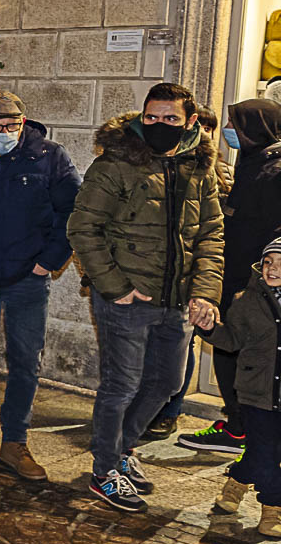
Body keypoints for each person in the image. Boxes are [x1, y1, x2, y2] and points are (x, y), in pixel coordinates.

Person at [67, 82, 225, 514]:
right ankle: (104, 471)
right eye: (151, 117)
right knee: (121, 386)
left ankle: (121, 449)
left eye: (170, 119)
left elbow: (211, 233)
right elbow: (83, 228)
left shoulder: (199, 166)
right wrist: (114, 286)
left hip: (176, 300)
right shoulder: (115, 163)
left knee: (166, 383)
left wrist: (205, 291)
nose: (159, 125)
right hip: (126, 298)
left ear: (190, 121)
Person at [0, 90, 82, 482]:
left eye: (13, 125)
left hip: (28, 275)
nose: (7, 132)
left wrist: (50, 261)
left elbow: (72, 211)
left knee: (26, 362)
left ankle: (15, 442)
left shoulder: (49, 156)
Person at [179, 98, 281, 454]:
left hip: (255, 286)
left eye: (235, 124)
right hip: (239, 278)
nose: (229, 132)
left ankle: (243, 430)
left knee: (236, 354)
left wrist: (263, 286)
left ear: (255, 128)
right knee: (230, 353)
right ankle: (240, 425)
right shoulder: (258, 161)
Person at [199, 233, 281, 540]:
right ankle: (273, 506)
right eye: (268, 261)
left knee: (269, 449)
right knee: (264, 448)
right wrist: (209, 329)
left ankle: (236, 480)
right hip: (253, 391)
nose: (272, 268)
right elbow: (231, 339)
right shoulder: (248, 301)